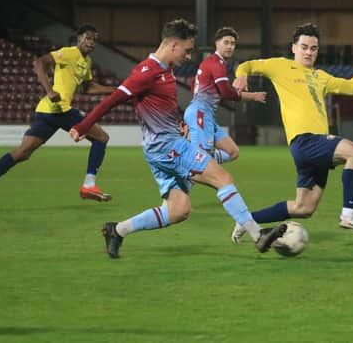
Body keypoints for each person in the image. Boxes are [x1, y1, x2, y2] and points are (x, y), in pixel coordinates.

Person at [69, 18, 285, 259]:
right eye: (188, 49)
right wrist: (83, 126)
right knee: (222, 177)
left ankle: (117, 230)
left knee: (178, 210)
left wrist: (180, 123)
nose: (189, 56)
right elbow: (112, 100)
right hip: (167, 147)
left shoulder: (166, 72)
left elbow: (164, 107)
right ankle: (258, 235)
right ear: (173, 44)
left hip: (159, 149)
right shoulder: (146, 72)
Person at [230, 23, 353, 242]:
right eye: (304, 47)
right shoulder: (280, 66)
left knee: (303, 207)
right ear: (293, 48)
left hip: (313, 148)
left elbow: (352, 87)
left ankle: (246, 221)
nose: (308, 52)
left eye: (313, 48)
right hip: (305, 141)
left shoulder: (321, 76)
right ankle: (349, 213)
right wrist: (241, 76)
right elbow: (246, 65)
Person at [0, 24, 114, 201]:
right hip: (60, 109)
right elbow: (40, 63)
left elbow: (88, 88)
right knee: (101, 138)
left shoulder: (86, 62)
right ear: (79, 38)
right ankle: (89, 185)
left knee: (23, 152)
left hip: (46, 112)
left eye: (94, 40)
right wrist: (49, 91)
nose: (91, 42)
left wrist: (117, 91)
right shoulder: (68, 53)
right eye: (88, 38)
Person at [183, 27, 266, 163]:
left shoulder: (211, 62)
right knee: (201, 161)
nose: (230, 46)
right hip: (200, 114)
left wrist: (251, 95)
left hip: (204, 114)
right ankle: (185, 167)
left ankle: (195, 162)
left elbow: (194, 84)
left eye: (232, 44)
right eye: (226, 42)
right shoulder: (216, 63)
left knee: (232, 152)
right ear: (217, 43)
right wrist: (250, 95)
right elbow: (226, 93)